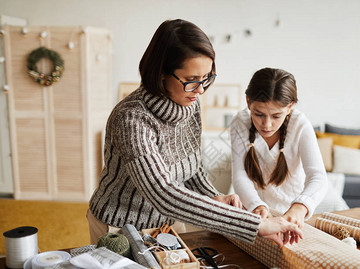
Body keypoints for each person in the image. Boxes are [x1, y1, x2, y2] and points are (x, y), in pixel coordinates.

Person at [87, 19, 302, 248]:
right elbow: (163, 193)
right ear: (161, 73)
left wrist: (213, 196)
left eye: (206, 78)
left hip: (168, 225)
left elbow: (192, 167)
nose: (200, 90)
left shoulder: (190, 104)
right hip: (120, 227)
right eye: (190, 81)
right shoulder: (131, 119)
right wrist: (254, 224)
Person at [230, 67, 328, 229]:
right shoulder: (239, 122)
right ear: (248, 102)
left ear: (290, 107)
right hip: (255, 212)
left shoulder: (300, 124)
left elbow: (318, 176)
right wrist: (256, 206)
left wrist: (299, 207)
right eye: (259, 114)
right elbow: (240, 175)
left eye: (276, 116)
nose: (267, 125)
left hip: (291, 212)